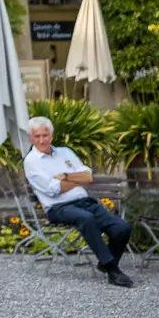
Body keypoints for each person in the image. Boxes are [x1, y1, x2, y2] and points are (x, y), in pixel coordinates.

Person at [24, 117, 133, 286]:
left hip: (85, 202)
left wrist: (65, 176)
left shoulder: (65, 152)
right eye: (37, 136)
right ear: (31, 138)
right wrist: (77, 180)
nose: (41, 140)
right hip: (58, 208)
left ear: (51, 136)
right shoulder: (31, 161)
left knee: (122, 227)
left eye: (45, 135)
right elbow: (53, 189)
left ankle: (106, 262)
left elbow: (88, 177)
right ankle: (113, 270)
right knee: (86, 218)